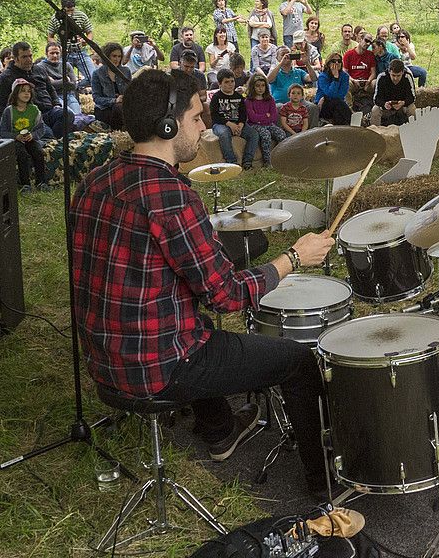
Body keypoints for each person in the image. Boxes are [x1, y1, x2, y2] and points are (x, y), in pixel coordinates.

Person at [69, 68, 334, 496]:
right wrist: (293, 258)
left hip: (104, 361)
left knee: (202, 330)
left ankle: (220, 429)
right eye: (195, 116)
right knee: (298, 362)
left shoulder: (94, 181)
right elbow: (227, 296)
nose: (202, 125)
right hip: (159, 368)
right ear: (167, 125)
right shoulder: (170, 194)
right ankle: (324, 488)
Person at [0, 42, 69, 139]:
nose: (29, 60)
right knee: (47, 135)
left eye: (30, 56)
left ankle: (56, 140)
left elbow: (51, 90)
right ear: (16, 58)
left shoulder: (39, 69)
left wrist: (57, 104)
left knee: (66, 114)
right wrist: (16, 115)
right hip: (29, 116)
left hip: (48, 111)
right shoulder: (6, 77)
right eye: (24, 57)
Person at [0, 78, 50, 189]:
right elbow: (2, 132)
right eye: (23, 91)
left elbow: (41, 128)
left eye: (29, 91)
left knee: (38, 153)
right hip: (15, 140)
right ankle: (25, 184)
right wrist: (16, 136)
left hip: (30, 139)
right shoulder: (9, 111)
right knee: (22, 155)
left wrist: (33, 135)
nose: (27, 93)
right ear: (15, 93)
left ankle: (41, 182)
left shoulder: (34, 110)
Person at [210, 68, 259, 170]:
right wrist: (229, 124)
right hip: (221, 124)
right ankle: (231, 162)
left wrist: (241, 124)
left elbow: (243, 113)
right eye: (226, 82)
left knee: (254, 134)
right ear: (220, 84)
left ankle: (247, 161)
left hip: (238, 124)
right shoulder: (216, 97)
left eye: (232, 81)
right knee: (224, 133)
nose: (230, 84)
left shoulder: (239, 97)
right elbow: (214, 116)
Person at [48, 0, 95, 87]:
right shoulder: (55, 18)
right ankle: (71, 88)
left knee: (93, 77)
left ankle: (76, 87)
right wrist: (57, 47)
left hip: (80, 51)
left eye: (72, 10)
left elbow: (89, 32)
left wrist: (86, 41)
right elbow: (50, 36)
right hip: (64, 53)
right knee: (61, 79)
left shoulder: (81, 16)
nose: (70, 13)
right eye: (67, 11)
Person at [244, 75, 288, 166]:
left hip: (269, 124)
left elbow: (274, 116)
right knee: (266, 134)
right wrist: (265, 116)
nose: (260, 88)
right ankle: (268, 162)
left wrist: (261, 118)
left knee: (281, 134)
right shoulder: (249, 101)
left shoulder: (270, 99)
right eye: (257, 86)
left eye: (263, 85)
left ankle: (280, 158)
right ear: (253, 86)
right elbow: (252, 118)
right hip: (254, 125)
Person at [91, 42, 131, 130]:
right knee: (118, 108)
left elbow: (130, 91)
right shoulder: (97, 73)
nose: (117, 59)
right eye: (114, 56)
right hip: (105, 109)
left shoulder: (125, 71)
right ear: (107, 56)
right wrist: (114, 100)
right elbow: (96, 98)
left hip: (123, 107)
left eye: (119, 56)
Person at [371, 59, 416, 126]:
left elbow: (412, 97)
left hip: (402, 106)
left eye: (398, 76)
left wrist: (403, 103)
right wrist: (384, 104)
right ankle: (375, 131)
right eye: (393, 75)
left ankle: (414, 128)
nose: (395, 78)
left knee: (412, 109)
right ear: (389, 72)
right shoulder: (382, 77)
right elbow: (376, 98)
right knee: (375, 110)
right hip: (386, 107)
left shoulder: (407, 77)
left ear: (403, 72)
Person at [316, 53, 352, 127]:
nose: (337, 63)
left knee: (338, 110)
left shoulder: (345, 76)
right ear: (328, 63)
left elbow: (342, 94)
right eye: (334, 61)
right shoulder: (322, 76)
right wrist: (336, 78)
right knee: (336, 102)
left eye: (339, 61)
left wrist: (338, 76)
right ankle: (352, 120)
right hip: (323, 105)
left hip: (338, 104)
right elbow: (330, 94)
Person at [343, 35, 376, 114]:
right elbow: (345, 72)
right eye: (366, 40)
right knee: (345, 83)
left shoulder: (370, 54)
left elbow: (373, 73)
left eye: (370, 43)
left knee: (375, 83)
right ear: (360, 39)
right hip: (354, 81)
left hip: (366, 81)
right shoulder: (349, 54)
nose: (368, 44)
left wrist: (368, 81)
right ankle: (349, 109)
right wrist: (353, 80)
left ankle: (377, 106)